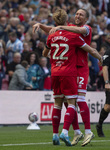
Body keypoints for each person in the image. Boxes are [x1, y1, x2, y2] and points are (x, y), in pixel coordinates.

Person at [33, 8, 96, 146]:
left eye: (81, 14)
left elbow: (74, 31)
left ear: (86, 19)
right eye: (77, 13)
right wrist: (41, 25)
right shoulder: (69, 28)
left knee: (78, 99)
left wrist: (60, 26)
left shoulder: (86, 28)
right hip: (70, 68)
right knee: (69, 102)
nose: (78, 16)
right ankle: (77, 132)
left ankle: (88, 131)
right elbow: (53, 29)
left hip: (80, 68)